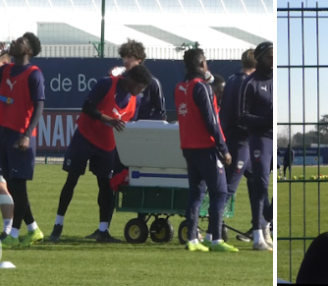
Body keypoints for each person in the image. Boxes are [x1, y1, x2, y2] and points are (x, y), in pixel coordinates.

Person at [48, 64, 152, 243]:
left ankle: (103, 231)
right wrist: (108, 120)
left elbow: (129, 126)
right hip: (85, 138)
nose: (141, 91)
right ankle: (58, 225)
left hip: (107, 146)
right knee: (71, 180)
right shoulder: (107, 84)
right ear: (132, 81)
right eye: (140, 87)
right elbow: (87, 107)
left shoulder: (136, 100)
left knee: (106, 186)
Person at [0, 32, 45, 248]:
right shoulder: (6, 70)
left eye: (20, 41)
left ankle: (14, 234)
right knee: (13, 186)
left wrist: (26, 134)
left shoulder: (34, 74)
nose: (14, 42)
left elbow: (39, 106)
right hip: (3, 135)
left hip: (19, 137)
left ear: (27, 50)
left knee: (18, 185)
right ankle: (33, 230)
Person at [175, 48, 238, 252]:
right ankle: (215, 238)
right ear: (202, 64)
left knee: (196, 193)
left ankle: (192, 239)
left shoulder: (179, 87)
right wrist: (224, 149)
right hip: (206, 147)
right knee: (220, 192)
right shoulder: (201, 87)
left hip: (188, 146)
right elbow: (212, 120)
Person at [103, 39, 166, 235]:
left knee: (142, 179)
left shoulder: (152, 83)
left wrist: (141, 125)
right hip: (123, 139)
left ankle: (142, 221)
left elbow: (161, 112)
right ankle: (104, 227)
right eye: (124, 57)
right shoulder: (120, 82)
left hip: (143, 140)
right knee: (113, 180)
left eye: (130, 57)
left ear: (140, 59)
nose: (126, 61)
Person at [219, 49, 267, 245]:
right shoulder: (244, 83)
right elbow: (242, 114)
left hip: (236, 137)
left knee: (257, 181)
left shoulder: (233, 80)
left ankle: (261, 224)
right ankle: (213, 225)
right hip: (240, 140)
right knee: (230, 186)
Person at [239, 41, 274, 251]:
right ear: (259, 58)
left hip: (275, 138)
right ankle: (257, 236)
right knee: (261, 184)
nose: (273, 60)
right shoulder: (250, 83)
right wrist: (265, 120)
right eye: (270, 56)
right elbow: (242, 116)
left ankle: (264, 223)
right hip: (260, 138)